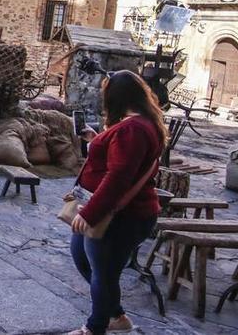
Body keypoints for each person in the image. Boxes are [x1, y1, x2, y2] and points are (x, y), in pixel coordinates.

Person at [67, 70, 166, 335]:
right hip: (117, 212)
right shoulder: (138, 124)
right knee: (82, 255)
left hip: (124, 215)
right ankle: (115, 314)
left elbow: (118, 177)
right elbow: (119, 162)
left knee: (104, 271)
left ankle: (96, 327)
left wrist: (89, 213)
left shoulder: (133, 129)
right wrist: (96, 139)